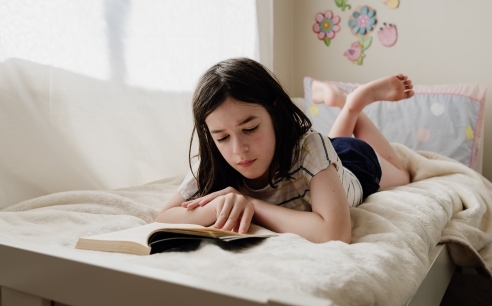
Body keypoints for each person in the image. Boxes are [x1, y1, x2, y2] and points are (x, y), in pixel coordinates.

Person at [155, 57, 414, 244]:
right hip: (321, 161)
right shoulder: (212, 162)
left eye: (250, 128)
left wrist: (251, 204)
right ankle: (341, 102)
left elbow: (334, 234)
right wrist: (219, 206)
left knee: (402, 176)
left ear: (275, 110)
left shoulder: (311, 147)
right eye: (222, 137)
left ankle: (353, 103)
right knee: (326, 148)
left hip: (351, 163)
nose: (238, 150)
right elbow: (164, 217)